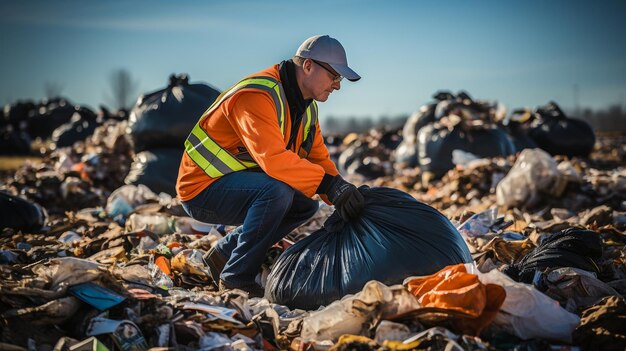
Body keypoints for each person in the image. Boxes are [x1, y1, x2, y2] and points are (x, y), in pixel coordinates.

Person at [176, 35, 365, 297]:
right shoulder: (256, 95)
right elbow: (273, 158)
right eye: (334, 76)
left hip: (236, 186)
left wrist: (342, 192)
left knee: (304, 205)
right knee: (277, 192)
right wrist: (330, 186)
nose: (337, 86)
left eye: (340, 79)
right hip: (201, 190)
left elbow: (318, 159)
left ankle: (223, 255)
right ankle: (236, 278)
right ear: (308, 66)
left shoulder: (307, 108)